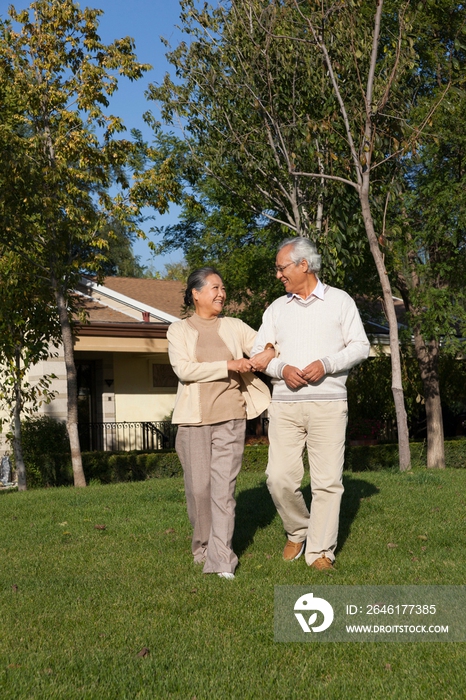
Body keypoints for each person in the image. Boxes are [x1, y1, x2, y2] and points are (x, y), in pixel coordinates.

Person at [250, 238, 370, 570]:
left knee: (327, 482)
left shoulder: (340, 302)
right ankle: (298, 529)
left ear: (304, 265)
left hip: (329, 404)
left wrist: (327, 364)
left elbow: (361, 347)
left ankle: (320, 552)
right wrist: (281, 369)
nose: (278, 275)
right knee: (278, 478)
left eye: (281, 267)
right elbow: (258, 355)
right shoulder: (276, 309)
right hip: (285, 405)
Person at [167, 267, 273, 580]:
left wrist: (268, 352)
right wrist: (228, 364)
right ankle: (202, 546)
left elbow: (264, 343)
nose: (221, 293)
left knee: (223, 491)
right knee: (199, 490)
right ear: (195, 293)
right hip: (194, 421)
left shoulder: (234, 326)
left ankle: (221, 559)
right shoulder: (178, 331)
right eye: (214, 288)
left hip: (232, 416)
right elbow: (184, 370)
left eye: (223, 288)